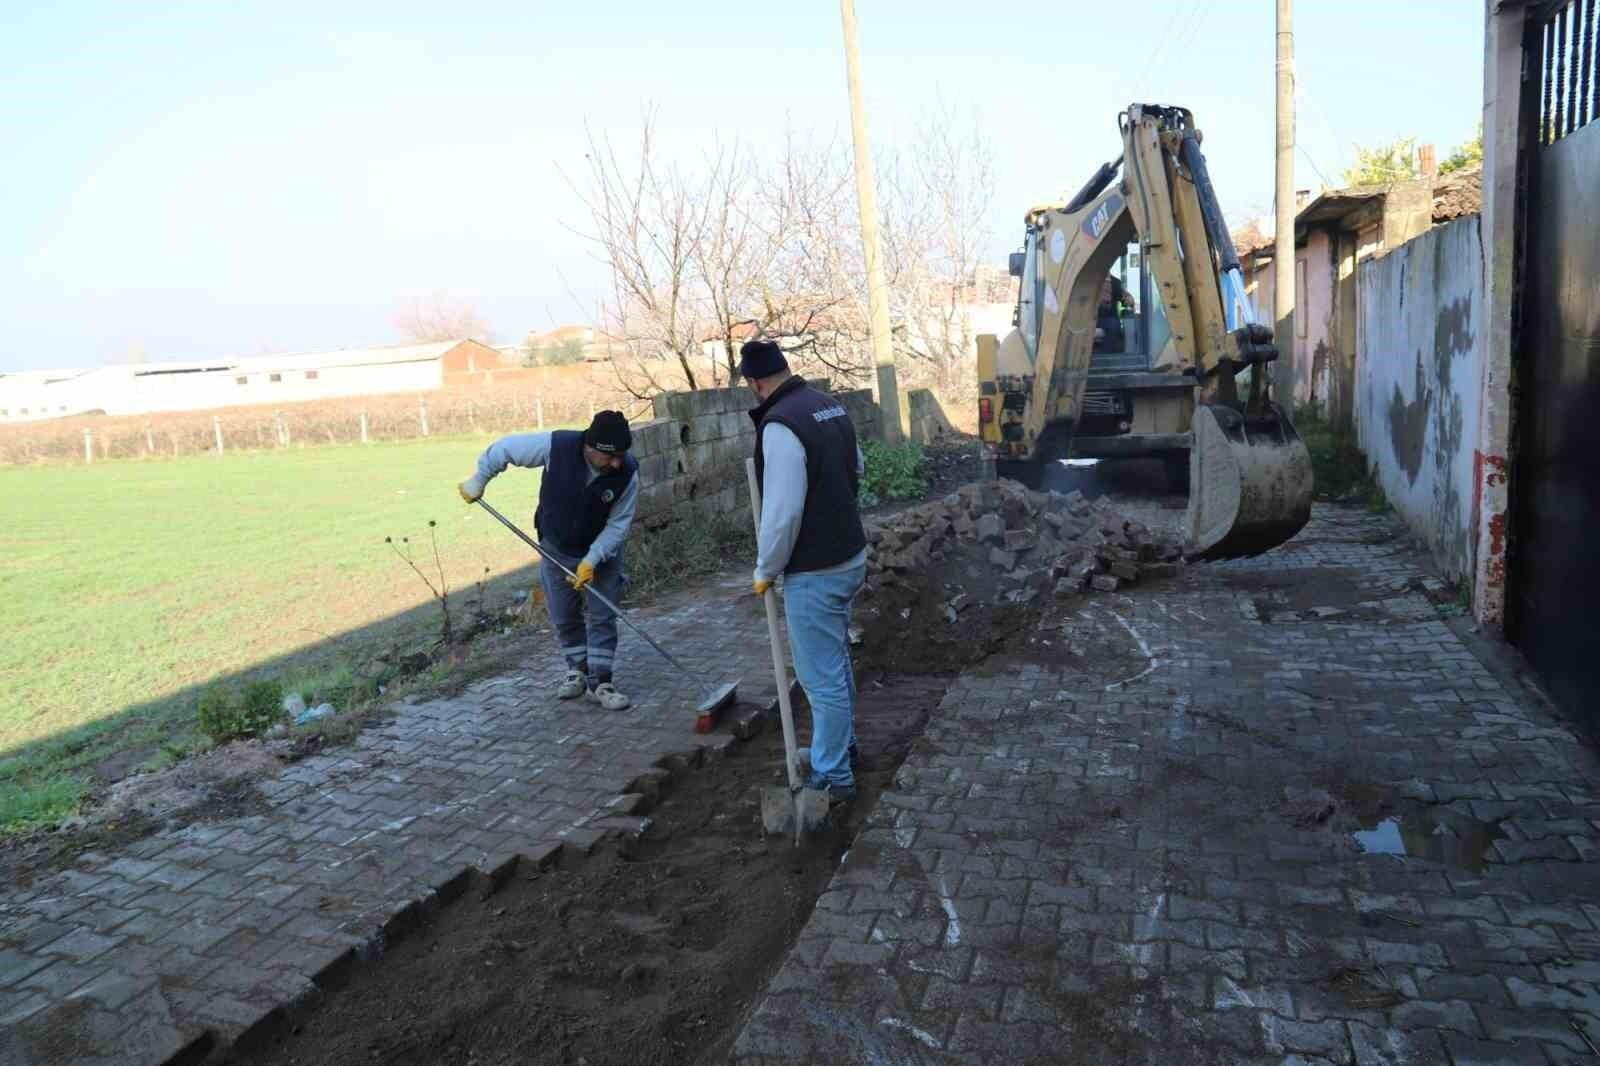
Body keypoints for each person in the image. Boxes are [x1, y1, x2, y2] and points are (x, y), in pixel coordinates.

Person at [743, 339, 868, 802]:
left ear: (755, 383)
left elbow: (782, 513)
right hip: (850, 553)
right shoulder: (827, 406)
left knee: (819, 679)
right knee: (834, 664)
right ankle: (845, 748)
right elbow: (857, 466)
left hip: (815, 569)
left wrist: (765, 568)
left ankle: (833, 776)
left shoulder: (779, 426)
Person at [457, 410, 638, 711]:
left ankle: (601, 683)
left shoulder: (628, 474)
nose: (617, 462)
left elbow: (619, 525)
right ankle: (577, 671)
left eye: (622, 455)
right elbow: (504, 450)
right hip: (556, 547)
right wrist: (479, 479)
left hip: (602, 552)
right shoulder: (557, 447)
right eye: (612, 456)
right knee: (563, 614)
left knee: (603, 615)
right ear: (591, 448)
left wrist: (592, 560)